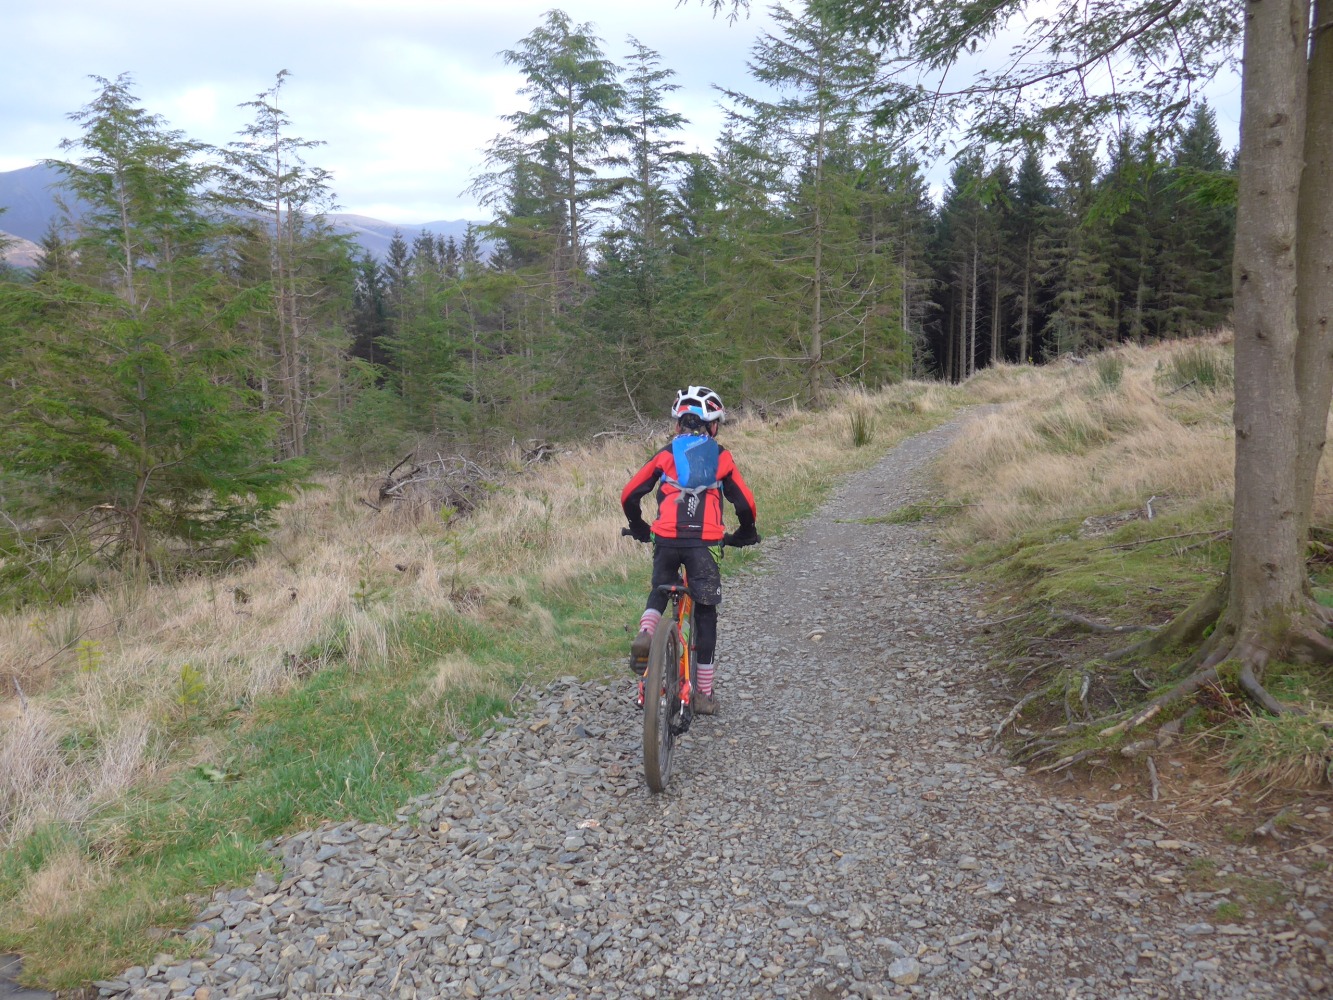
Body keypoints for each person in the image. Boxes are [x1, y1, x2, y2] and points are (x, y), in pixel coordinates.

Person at [621, 385, 759, 715]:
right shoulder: (720, 456)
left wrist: (640, 526)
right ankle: (703, 694)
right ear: (713, 426)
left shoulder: (667, 453)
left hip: (666, 539)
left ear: (678, 424)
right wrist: (746, 532)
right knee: (706, 610)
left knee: (660, 587)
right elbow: (744, 502)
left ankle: (646, 632)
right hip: (704, 544)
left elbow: (630, 493)